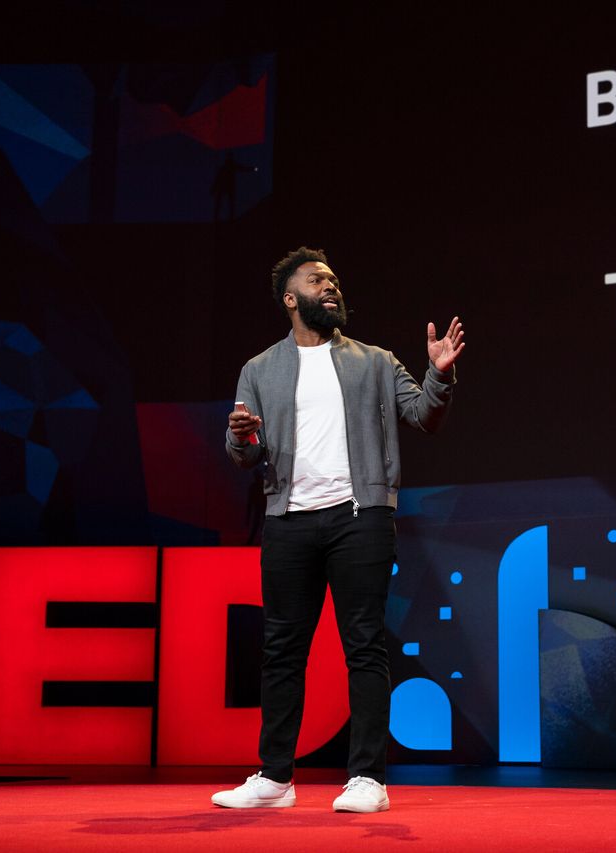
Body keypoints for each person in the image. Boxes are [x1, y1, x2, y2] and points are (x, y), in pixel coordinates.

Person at [213, 246, 464, 813]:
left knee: (365, 645)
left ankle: (367, 779)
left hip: (359, 518)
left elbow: (424, 415)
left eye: (333, 280)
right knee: (281, 650)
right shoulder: (259, 369)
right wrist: (242, 436)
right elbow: (244, 455)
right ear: (290, 298)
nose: (330, 286)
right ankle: (275, 779)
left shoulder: (374, 361)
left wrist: (439, 374)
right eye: (316, 280)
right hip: (288, 522)